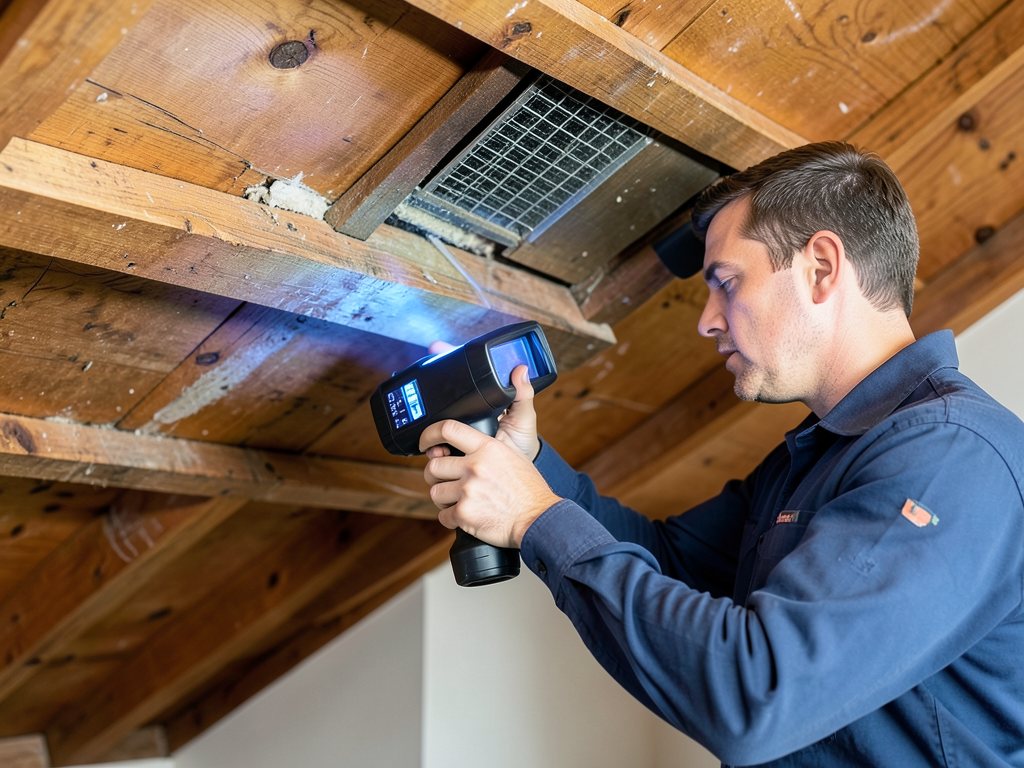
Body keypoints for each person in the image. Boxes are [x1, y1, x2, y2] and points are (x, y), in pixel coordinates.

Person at [419, 142, 1024, 766]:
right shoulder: (817, 457)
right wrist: (532, 467)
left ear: (820, 267)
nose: (707, 321)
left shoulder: (951, 457)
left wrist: (531, 519)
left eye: (726, 283)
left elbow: (756, 697)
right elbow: (667, 559)